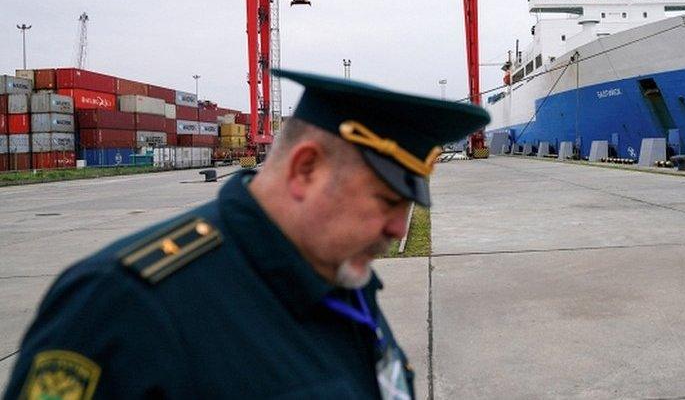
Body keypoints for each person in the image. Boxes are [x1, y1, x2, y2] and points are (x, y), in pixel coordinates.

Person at [4, 69, 489, 400]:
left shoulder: (340, 279)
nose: (398, 228)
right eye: (387, 201)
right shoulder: (121, 309)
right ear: (305, 170)